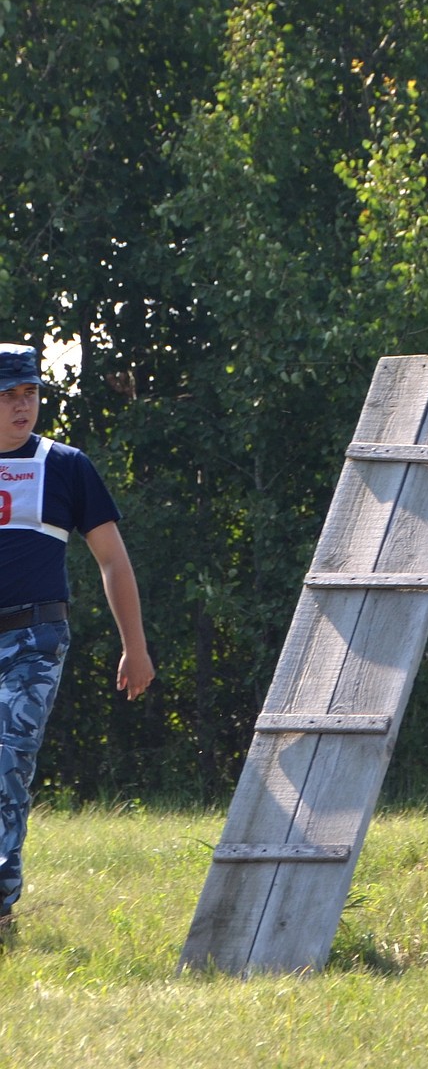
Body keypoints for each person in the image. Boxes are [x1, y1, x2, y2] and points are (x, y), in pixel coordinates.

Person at [0, 343, 154, 937]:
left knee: (7, 762)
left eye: (30, 394)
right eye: (9, 396)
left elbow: (113, 561)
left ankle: (1, 908)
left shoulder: (66, 465)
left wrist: (134, 647)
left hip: (34, 638)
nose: (23, 407)